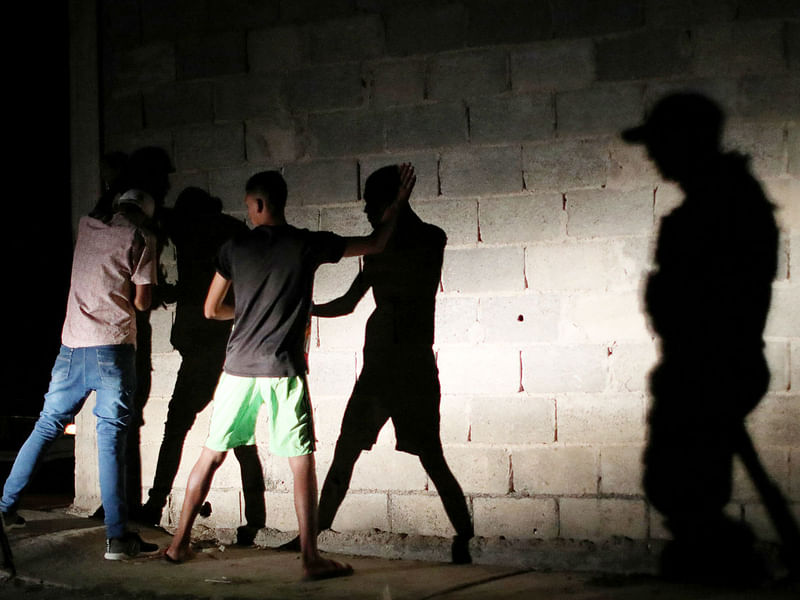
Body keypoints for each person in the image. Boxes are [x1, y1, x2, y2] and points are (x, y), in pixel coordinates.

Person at [164, 165, 416, 581]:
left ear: (260, 204)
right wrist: (398, 206)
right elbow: (375, 243)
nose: (248, 212)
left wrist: (245, 315)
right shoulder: (306, 244)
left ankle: (177, 545)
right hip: (282, 369)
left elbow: (211, 310)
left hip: (238, 369)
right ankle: (310, 558)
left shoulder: (234, 247)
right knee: (301, 464)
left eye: (248, 206)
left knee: (210, 455)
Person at [624, 93, 779, 582]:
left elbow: (716, 299)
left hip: (708, 369)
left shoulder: (724, 206)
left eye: (660, 143)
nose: (653, 156)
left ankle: (728, 567)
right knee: (683, 490)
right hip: (700, 367)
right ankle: (721, 563)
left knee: (682, 487)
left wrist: (701, 359)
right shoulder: (720, 200)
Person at [308, 165, 474, 563]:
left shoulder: (429, 239)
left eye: (371, 204)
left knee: (431, 457)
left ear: (391, 202)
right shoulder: (379, 249)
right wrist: (305, 308)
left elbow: (408, 271)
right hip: (380, 369)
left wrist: (395, 214)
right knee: (346, 453)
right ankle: (310, 541)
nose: (366, 212)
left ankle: (467, 538)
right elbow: (348, 303)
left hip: (409, 368)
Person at [0, 181, 161, 560]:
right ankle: (117, 538)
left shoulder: (87, 226)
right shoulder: (142, 236)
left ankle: (4, 508)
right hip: (112, 348)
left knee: (46, 425)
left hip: (72, 347)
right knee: (110, 441)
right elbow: (141, 302)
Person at [137, 188, 267, 545]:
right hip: (225, 341)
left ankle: (154, 503)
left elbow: (202, 289)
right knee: (238, 436)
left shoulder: (194, 231)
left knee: (179, 425)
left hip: (208, 345)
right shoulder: (227, 232)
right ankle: (255, 520)